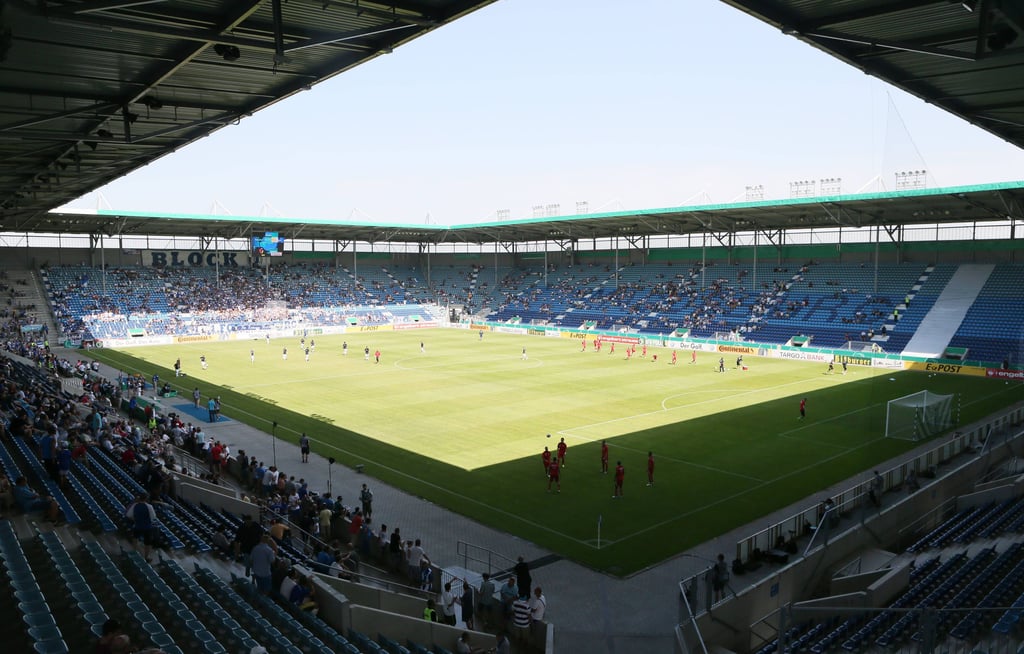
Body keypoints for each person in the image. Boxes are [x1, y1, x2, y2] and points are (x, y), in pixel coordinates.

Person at [125, 493, 157, 562]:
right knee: (147, 542)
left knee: (135, 538)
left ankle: (134, 552)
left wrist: (136, 519)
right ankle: (147, 556)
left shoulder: (135, 505)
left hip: (137, 525)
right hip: (147, 527)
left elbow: (128, 515)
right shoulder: (149, 506)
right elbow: (153, 517)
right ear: (146, 499)